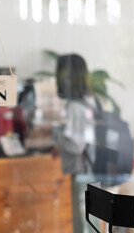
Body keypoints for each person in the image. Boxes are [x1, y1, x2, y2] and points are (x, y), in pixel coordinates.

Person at [52, 53, 96, 233]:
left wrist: (55, 134)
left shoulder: (75, 107)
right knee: (90, 220)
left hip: (81, 172)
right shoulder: (88, 102)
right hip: (89, 170)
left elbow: (76, 145)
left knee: (83, 223)